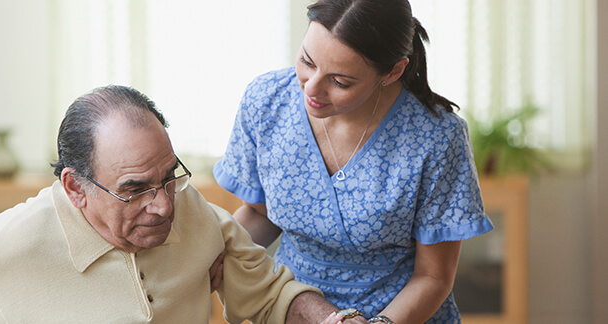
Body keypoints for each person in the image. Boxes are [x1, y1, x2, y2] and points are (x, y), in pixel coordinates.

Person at [0, 85, 357, 323]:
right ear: (75, 187)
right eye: (135, 188)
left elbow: (272, 297)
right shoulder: (10, 246)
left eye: (168, 178)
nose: (162, 206)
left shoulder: (189, 207)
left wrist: (336, 322)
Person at [212, 0, 494, 323]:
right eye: (307, 60)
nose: (312, 88)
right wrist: (216, 253)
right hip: (295, 307)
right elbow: (260, 214)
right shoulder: (266, 102)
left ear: (392, 71)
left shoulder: (437, 138)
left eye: (340, 82)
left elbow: (433, 277)